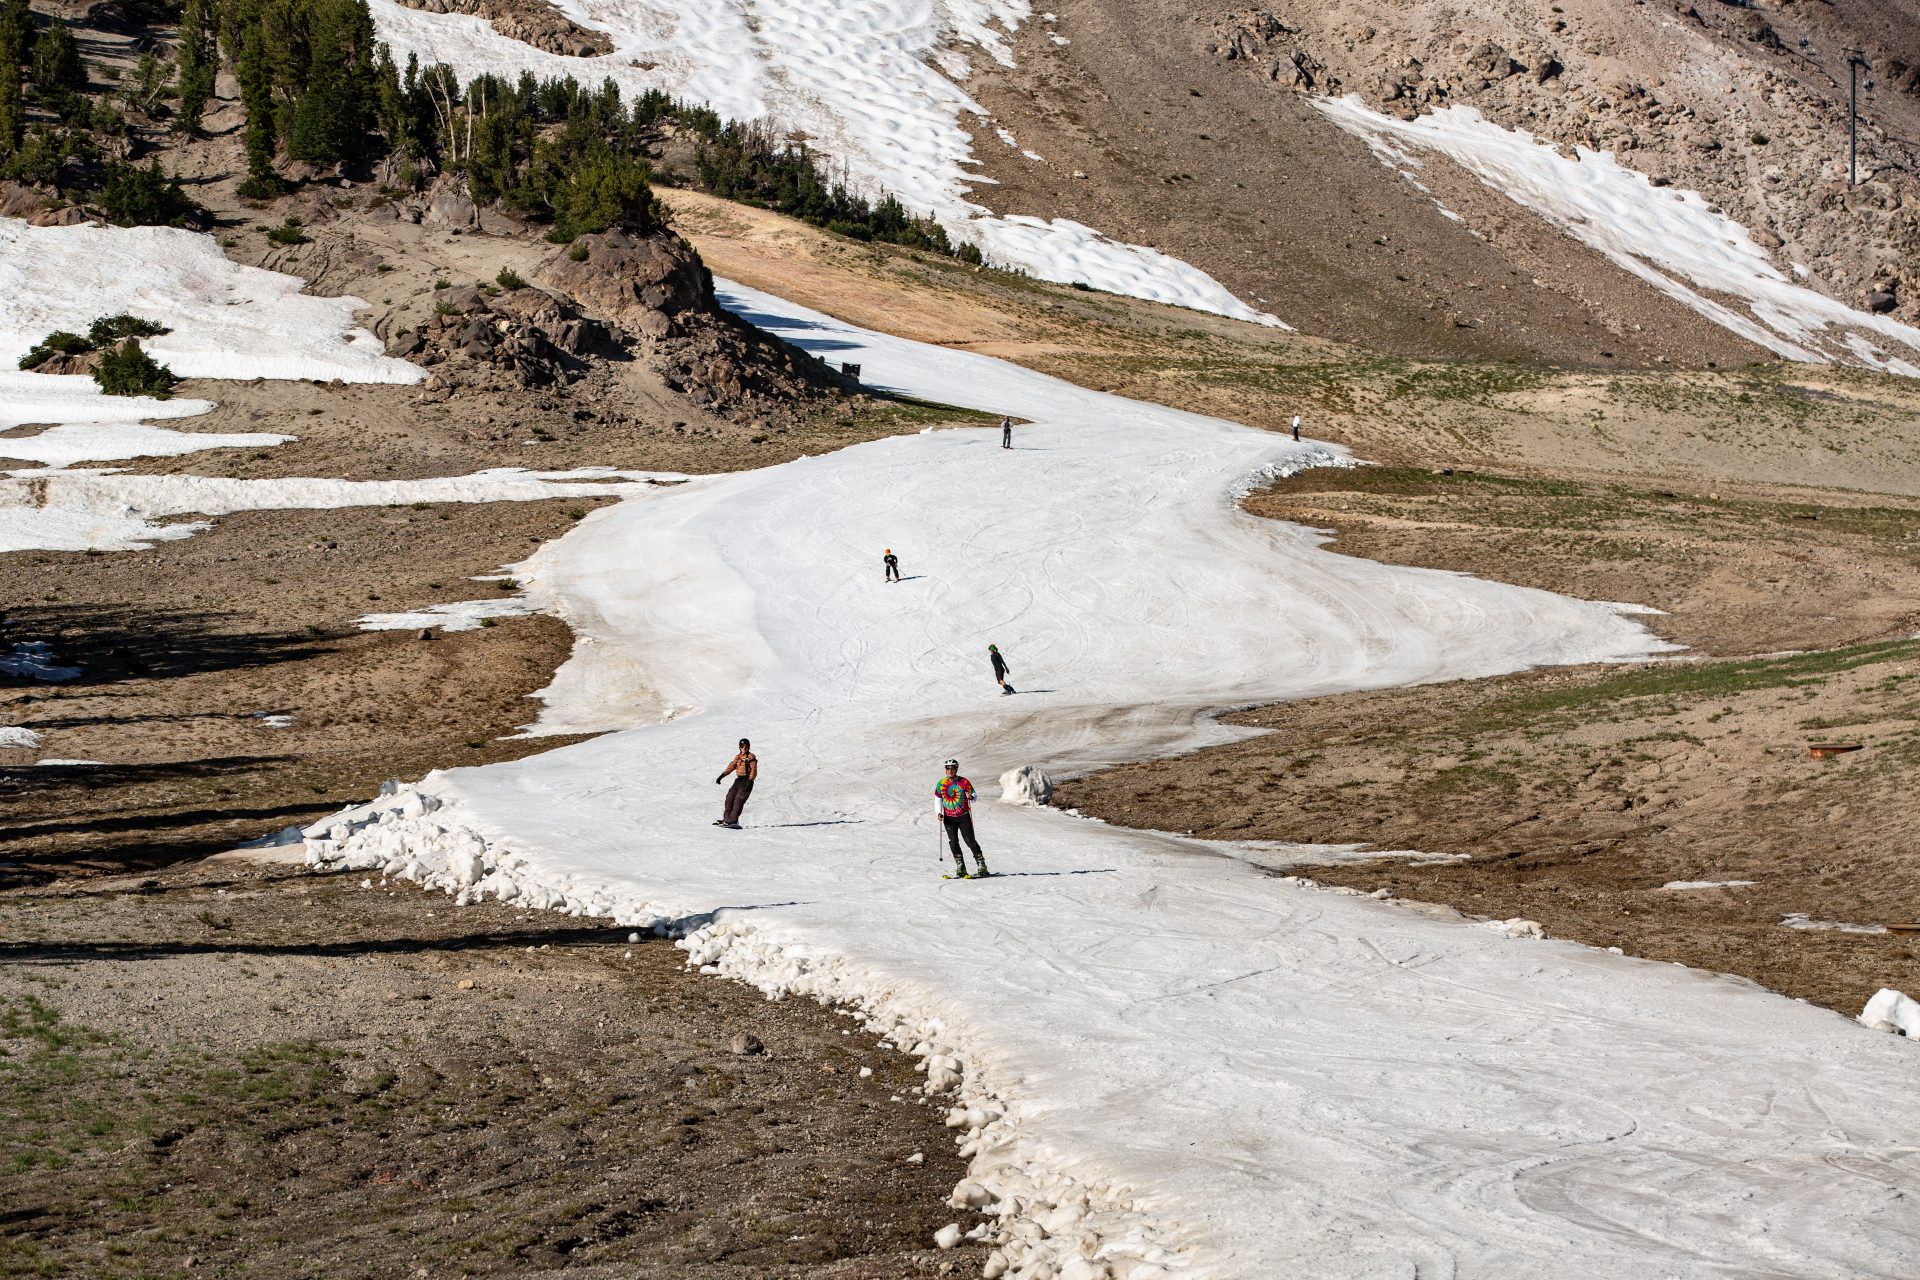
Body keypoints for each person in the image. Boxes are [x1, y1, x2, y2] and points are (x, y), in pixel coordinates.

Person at [936, 758, 990, 878]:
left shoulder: (964, 781)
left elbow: (974, 796)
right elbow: (938, 799)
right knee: (953, 842)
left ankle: (981, 864)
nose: (950, 770)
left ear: (956, 769)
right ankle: (960, 866)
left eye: (952, 768)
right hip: (949, 818)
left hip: (963, 816)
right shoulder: (941, 783)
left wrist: (971, 796)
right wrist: (938, 813)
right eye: (947, 768)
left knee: (969, 840)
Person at [714, 738, 757, 828]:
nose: (744, 748)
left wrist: (750, 781)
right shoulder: (737, 757)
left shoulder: (751, 757)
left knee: (738, 800)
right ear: (739, 747)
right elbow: (731, 767)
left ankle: (733, 820)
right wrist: (721, 776)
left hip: (747, 780)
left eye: (746, 746)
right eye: (742, 746)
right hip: (738, 780)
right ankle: (726, 819)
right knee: (729, 798)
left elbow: (753, 770)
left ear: (749, 747)